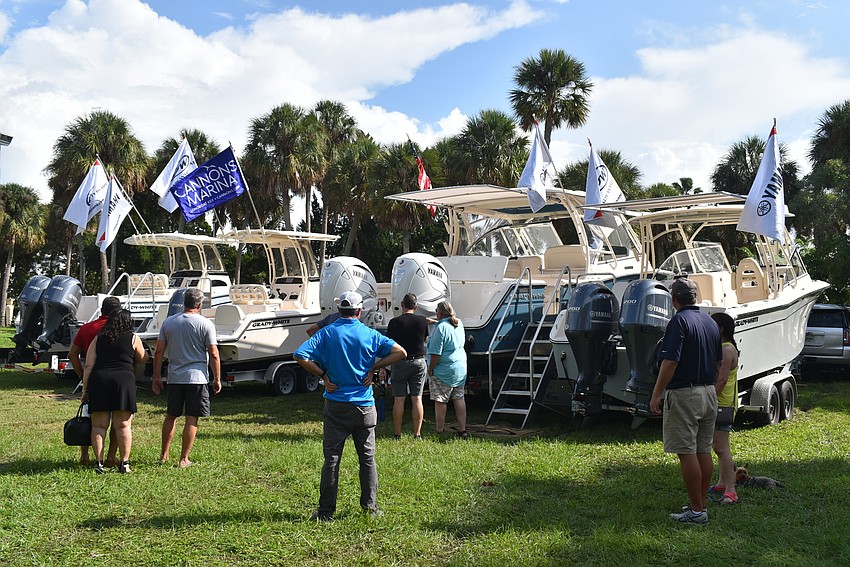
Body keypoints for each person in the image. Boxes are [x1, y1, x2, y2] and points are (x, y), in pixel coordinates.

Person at [294, 290, 406, 521]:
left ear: (339, 309)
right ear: (359, 310)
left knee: (332, 459)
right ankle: (370, 509)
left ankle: (325, 512)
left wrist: (323, 375)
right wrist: (374, 368)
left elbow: (300, 355)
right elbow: (400, 352)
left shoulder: (326, 333)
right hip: (364, 405)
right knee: (367, 459)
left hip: (336, 405)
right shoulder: (369, 333)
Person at [650, 277, 721, 525]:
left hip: (684, 393)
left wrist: (656, 393)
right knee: (703, 449)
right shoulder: (710, 322)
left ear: (674, 299)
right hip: (709, 392)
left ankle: (696, 511)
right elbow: (719, 362)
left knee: (686, 451)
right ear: (696, 297)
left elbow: (670, 361)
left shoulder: (678, 321)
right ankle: (699, 504)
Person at [152, 288, 221, 468]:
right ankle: (184, 459)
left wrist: (157, 377)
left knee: (171, 416)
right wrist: (217, 379)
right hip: (197, 378)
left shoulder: (169, 323)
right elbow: (213, 353)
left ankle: (164, 455)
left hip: (175, 377)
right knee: (192, 418)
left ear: (184, 303)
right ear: (199, 304)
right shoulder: (206, 324)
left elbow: (159, 351)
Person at [80, 309, 148, 474]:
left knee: (98, 426)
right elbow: (143, 358)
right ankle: (124, 463)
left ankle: (99, 463)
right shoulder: (133, 338)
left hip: (100, 380)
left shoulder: (98, 338)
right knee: (123, 425)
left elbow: (89, 366)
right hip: (123, 381)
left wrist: (85, 390)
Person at [68, 296, 121, 466]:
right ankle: (111, 456)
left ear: (101, 310)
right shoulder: (121, 330)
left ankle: (85, 455)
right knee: (117, 420)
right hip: (117, 379)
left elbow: (72, 354)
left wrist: (81, 374)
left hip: (93, 379)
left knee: (89, 417)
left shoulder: (87, 328)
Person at [386, 293, 429, 440]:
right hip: (419, 361)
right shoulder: (422, 321)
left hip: (400, 361)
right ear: (415, 307)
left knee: (399, 399)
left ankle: (397, 434)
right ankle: (417, 434)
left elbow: (389, 345)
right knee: (417, 398)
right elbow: (423, 339)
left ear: (402, 304)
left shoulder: (394, 322)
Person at [708, 312, 740, 505]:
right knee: (718, 447)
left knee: (720, 447)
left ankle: (731, 490)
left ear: (720, 329)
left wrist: (709, 399)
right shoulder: (723, 348)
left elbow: (721, 379)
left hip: (723, 404)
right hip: (721, 403)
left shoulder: (727, 350)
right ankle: (721, 483)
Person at [426, 301, 468, 439]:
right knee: (459, 398)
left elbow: (436, 353)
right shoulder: (458, 323)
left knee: (441, 400)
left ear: (439, 313)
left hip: (444, 370)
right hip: (460, 367)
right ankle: (462, 430)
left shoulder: (440, 328)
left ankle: (440, 429)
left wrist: (430, 369)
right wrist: (434, 321)